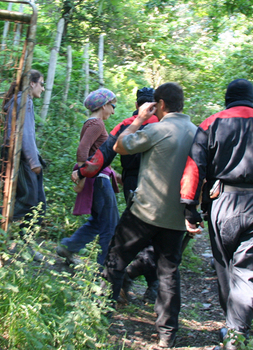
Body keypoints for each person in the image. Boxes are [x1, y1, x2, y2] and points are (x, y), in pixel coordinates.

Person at [180, 78, 253, 350]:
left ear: (227, 98)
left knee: (224, 267)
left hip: (223, 202)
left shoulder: (211, 123)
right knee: (250, 273)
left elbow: (194, 167)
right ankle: (236, 332)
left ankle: (232, 328)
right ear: (252, 98)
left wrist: (190, 209)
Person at [104, 82, 197, 349]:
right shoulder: (197, 133)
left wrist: (140, 119)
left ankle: (101, 313)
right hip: (176, 217)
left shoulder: (157, 128)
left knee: (116, 257)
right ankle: (167, 335)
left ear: (161, 105)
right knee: (168, 273)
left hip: (145, 211)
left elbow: (121, 147)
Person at [71, 87, 160, 302]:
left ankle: (113, 279)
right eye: (112, 105)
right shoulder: (163, 125)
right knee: (130, 232)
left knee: (114, 226)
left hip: (123, 182)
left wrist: (88, 171)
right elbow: (86, 152)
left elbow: (105, 154)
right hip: (144, 185)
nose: (113, 110)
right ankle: (124, 279)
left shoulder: (123, 125)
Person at [57, 88, 120, 267]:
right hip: (99, 180)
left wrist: (116, 175)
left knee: (98, 221)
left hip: (99, 177)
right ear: (104, 105)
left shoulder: (93, 123)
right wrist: (82, 173)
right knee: (110, 225)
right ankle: (105, 269)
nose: (113, 111)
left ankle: (69, 247)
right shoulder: (96, 124)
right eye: (112, 106)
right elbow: (82, 151)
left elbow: (96, 156)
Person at [2, 69, 47, 230]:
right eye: (41, 84)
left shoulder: (24, 100)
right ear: (32, 83)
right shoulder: (23, 101)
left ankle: (25, 244)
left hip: (21, 155)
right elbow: (24, 133)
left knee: (39, 204)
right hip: (19, 155)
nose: (42, 88)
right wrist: (33, 161)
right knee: (29, 202)